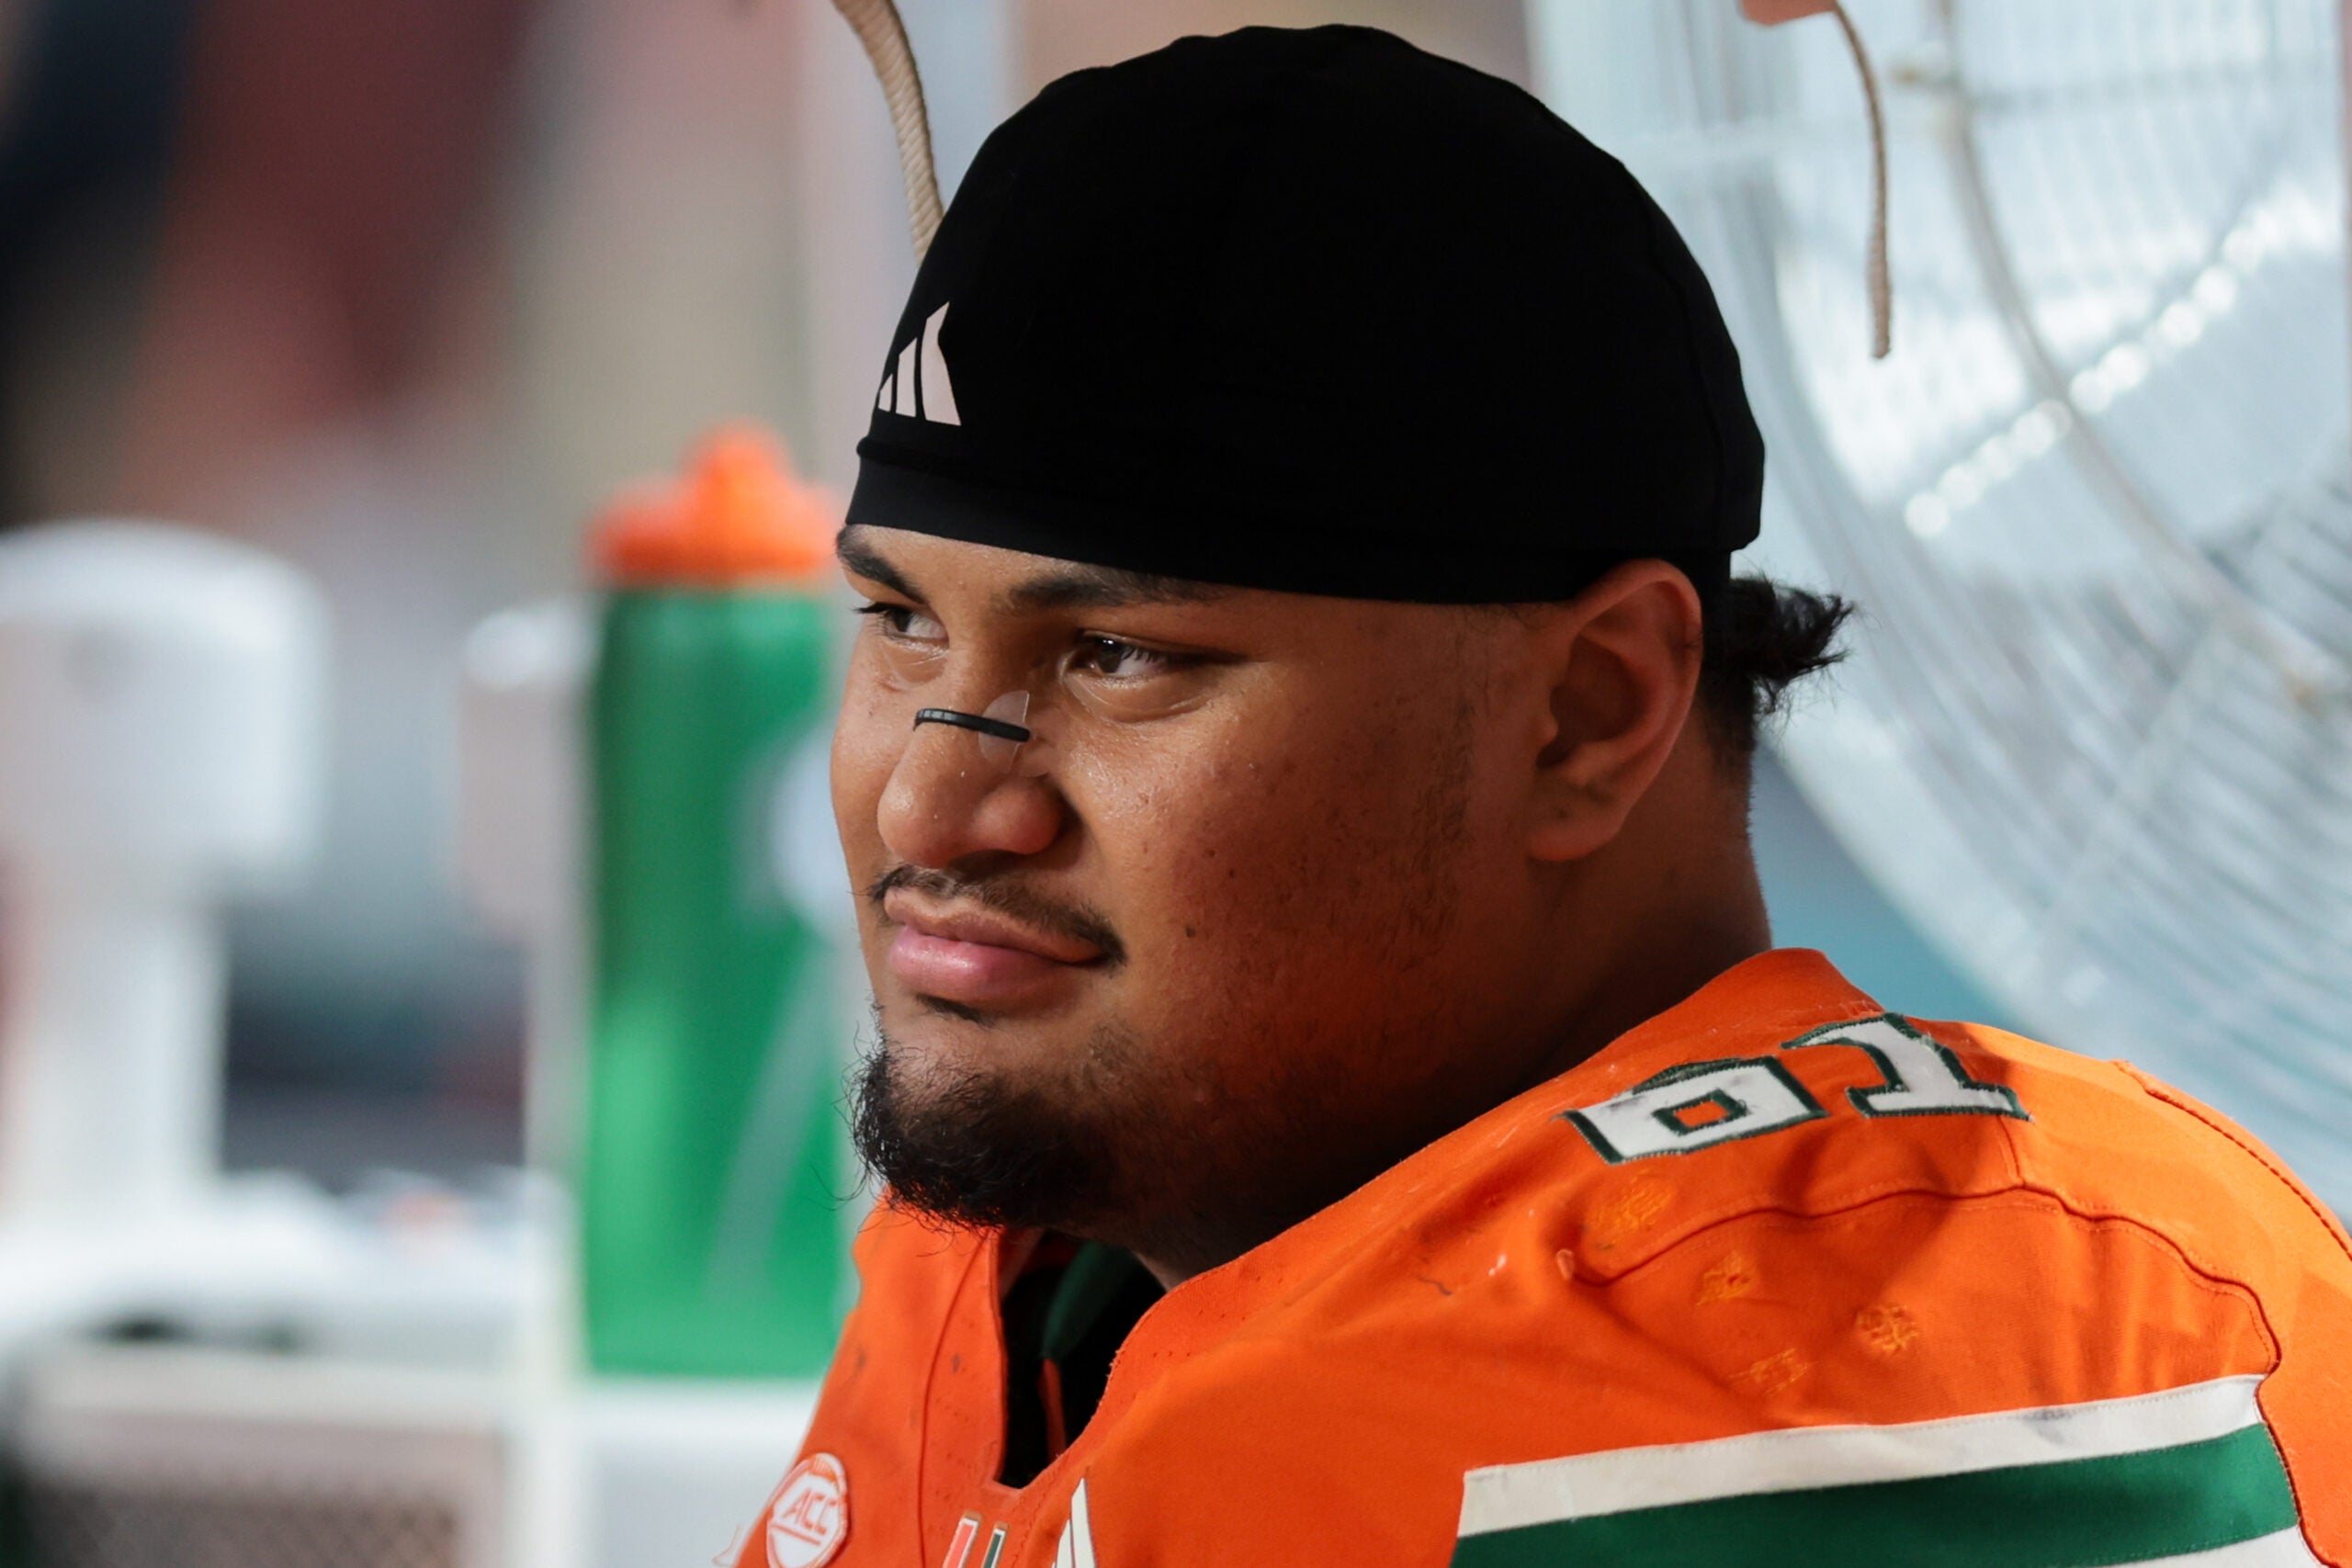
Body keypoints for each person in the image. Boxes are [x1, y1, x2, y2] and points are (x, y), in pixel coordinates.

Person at [739, 25, 2352, 1568]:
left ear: (1588, 713)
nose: (931, 803)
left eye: (1116, 654)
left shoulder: (1879, 1331)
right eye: (900, 621)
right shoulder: (1027, 1255)